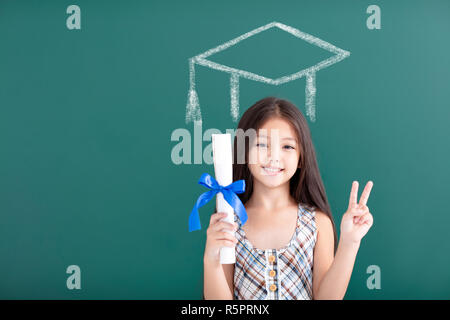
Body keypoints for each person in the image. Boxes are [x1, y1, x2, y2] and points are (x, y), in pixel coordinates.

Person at [203, 97, 374, 300]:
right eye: (262, 144)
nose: (274, 156)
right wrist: (211, 259)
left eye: (287, 147)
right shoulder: (230, 222)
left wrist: (350, 242)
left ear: (302, 157)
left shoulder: (317, 223)